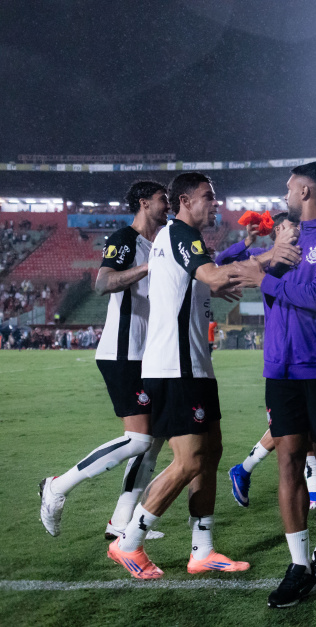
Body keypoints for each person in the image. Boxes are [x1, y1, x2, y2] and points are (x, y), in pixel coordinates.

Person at [230, 161, 316, 608]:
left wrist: (262, 276)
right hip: (280, 370)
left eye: (289, 187)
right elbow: (222, 271)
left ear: (306, 190)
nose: (285, 193)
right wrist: (256, 252)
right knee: (287, 462)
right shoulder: (283, 237)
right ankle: (298, 565)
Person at [107, 172, 249, 579]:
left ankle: (202, 549)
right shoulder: (181, 233)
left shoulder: (184, 240)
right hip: (175, 367)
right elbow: (213, 275)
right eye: (208, 197)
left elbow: (204, 280)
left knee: (211, 452)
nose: (214, 204)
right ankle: (129, 542)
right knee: (188, 461)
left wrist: (225, 277)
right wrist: (266, 259)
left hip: (195, 366)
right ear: (185, 200)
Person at [40, 181, 170, 541]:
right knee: (140, 439)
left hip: (147, 354)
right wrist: (145, 269)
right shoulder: (125, 238)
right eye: (163, 200)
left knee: (155, 438)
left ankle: (120, 521)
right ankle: (57, 485)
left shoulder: (158, 242)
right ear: (144, 202)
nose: (168, 206)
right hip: (122, 351)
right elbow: (102, 283)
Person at [227, 326, 316, 511]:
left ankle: (314, 494)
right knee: (290, 426)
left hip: (313, 359)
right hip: (290, 360)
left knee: (309, 426)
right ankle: (243, 469)